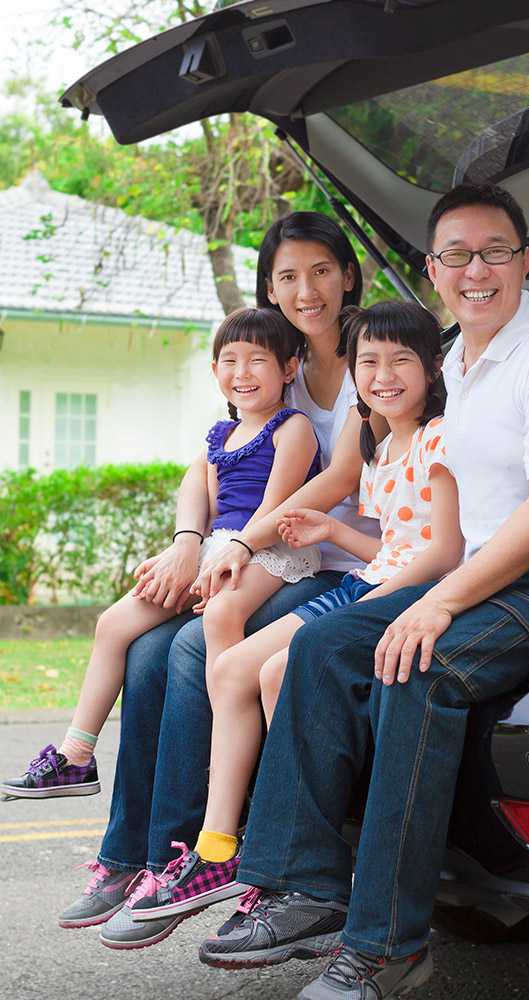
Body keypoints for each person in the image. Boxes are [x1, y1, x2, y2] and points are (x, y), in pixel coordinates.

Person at [197, 183, 529, 1000]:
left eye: (493, 251)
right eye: (456, 254)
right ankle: (303, 886)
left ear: (523, 260)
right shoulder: (451, 357)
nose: (474, 269)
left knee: (410, 666)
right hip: (455, 571)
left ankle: (386, 948)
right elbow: (391, 469)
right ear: (432, 268)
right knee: (316, 645)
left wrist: (440, 599)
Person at [54, 212, 382, 951]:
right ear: (269, 286)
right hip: (256, 558)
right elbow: (205, 470)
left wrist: (238, 540)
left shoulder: (372, 356)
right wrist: (187, 542)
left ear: (348, 275)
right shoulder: (269, 360)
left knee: (191, 652)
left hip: (338, 562)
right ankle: (126, 857)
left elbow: (337, 478)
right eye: (288, 276)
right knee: (141, 651)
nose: (307, 289)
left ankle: (186, 855)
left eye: (321, 271)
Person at [124, 300, 463, 924]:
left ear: (434, 368)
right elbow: (394, 545)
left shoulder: (439, 439)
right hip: (368, 579)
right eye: (368, 362)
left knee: (278, 671)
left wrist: (374, 588)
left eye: (400, 361)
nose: (383, 375)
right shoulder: (380, 447)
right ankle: (220, 847)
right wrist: (325, 534)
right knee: (230, 671)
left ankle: (297, 846)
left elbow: (444, 551)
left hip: (384, 593)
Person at [1, 307, 322, 803]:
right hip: (221, 546)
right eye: (229, 360)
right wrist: (186, 555)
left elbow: (274, 509)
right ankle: (76, 757)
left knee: (221, 614)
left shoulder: (292, 428)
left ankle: (227, 751)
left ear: (288, 368)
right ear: (215, 370)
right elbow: (210, 510)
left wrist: (225, 556)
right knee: (114, 623)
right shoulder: (219, 435)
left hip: (271, 548)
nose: (242, 373)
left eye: (257, 360)